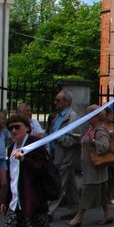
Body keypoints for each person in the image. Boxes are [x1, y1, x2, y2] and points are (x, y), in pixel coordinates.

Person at [67, 106, 112, 227]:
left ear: (96, 117)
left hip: (95, 168)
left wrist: (93, 141)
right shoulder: (91, 129)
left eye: (89, 114)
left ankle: (79, 217)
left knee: (87, 191)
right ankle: (108, 214)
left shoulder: (100, 130)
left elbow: (104, 147)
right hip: (91, 167)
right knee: (102, 190)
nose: (86, 117)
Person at [47, 90, 82, 220]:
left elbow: (75, 138)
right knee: (70, 183)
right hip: (57, 154)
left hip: (66, 155)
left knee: (59, 183)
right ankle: (75, 209)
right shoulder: (58, 116)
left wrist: (58, 138)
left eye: (58, 100)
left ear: (66, 102)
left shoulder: (72, 116)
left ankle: (49, 211)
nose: (55, 102)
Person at [102, 107, 114, 206]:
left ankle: (111, 196)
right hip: (105, 153)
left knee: (113, 176)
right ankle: (104, 196)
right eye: (111, 114)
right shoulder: (101, 126)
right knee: (105, 176)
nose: (113, 116)